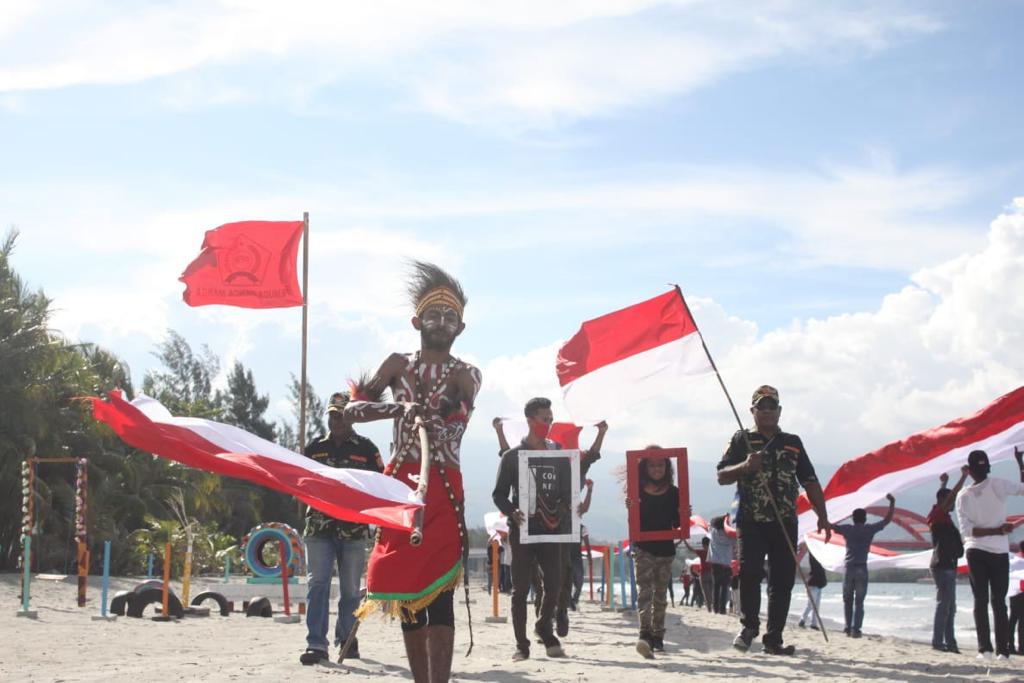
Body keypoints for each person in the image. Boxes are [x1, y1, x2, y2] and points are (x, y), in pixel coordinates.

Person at [344, 261, 482, 683]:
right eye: (434, 315)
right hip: (400, 484)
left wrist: (435, 417)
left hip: (442, 484)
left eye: (450, 317)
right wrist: (398, 408)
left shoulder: (465, 374)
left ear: (460, 328)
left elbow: (460, 413)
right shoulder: (396, 365)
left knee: (438, 591)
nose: (441, 323)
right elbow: (351, 412)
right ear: (416, 321)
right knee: (404, 584)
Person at [717, 385, 831, 656]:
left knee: (782, 581)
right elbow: (721, 475)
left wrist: (823, 517)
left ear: (779, 411)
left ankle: (774, 638)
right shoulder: (741, 439)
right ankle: (749, 627)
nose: (767, 412)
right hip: (751, 519)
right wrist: (745, 466)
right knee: (749, 572)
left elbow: (810, 481)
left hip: (785, 521)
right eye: (761, 407)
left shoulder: (792, 442)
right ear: (752, 411)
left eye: (772, 407)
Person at [492, 398, 599, 661]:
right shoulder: (512, 457)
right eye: (544, 419)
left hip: (553, 530)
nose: (548, 424)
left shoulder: (559, 453)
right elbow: (499, 494)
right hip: (522, 530)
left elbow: (568, 488)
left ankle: (543, 625)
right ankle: (522, 645)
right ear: (530, 421)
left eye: (551, 419)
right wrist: (512, 511)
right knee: (520, 589)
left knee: (554, 584)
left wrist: (564, 506)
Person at [299, 392, 384, 665]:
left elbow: (381, 484)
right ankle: (316, 644)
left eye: (342, 415)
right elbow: (301, 481)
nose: (336, 420)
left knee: (350, 590)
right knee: (318, 584)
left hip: (354, 531)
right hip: (319, 528)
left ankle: (347, 639)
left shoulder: (367, 450)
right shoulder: (314, 448)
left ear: (352, 418)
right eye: (332, 415)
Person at [955, 447, 1024, 661]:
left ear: (970, 470)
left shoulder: (963, 495)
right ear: (988, 468)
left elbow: (967, 531)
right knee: (998, 602)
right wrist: (1020, 464)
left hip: (976, 549)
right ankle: (1002, 651)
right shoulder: (999, 484)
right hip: (998, 551)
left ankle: (984, 649)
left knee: (981, 599)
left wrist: (997, 530)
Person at [626, 449, 681, 659]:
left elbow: (677, 524)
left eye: (661, 465)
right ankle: (645, 634)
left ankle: (658, 635)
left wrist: (685, 513)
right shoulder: (636, 492)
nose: (657, 469)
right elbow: (633, 523)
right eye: (652, 465)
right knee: (644, 592)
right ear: (644, 468)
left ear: (667, 468)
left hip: (666, 549)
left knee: (660, 595)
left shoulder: (674, 492)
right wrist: (630, 508)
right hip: (643, 548)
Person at [830, 495, 895, 638]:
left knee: (847, 599)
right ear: (865, 518)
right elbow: (887, 520)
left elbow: (831, 526)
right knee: (859, 601)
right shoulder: (869, 529)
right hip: (861, 567)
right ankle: (856, 629)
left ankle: (847, 628)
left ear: (853, 519)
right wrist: (892, 503)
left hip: (849, 567)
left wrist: (823, 511)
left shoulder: (847, 529)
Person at [926, 470, 968, 653]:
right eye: (950, 502)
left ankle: (950, 643)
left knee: (950, 606)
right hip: (943, 566)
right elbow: (949, 497)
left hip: (947, 565)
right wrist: (964, 476)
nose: (953, 504)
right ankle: (939, 642)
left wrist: (943, 483)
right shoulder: (938, 515)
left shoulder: (939, 515)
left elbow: (944, 497)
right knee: (945, 605)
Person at [707, 515, 737, 615]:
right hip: (726, 564)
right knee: (724, 587)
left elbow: (709, 526)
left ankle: (715, 609)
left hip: (715, 563)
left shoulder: (713, 532)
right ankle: (722, 609)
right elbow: (735, 541)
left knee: (716, 587)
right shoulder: (728, 535)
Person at [681, 536, 712, 613]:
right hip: (712, 574)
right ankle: (713, 605)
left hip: (704, 574)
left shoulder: (702, 552)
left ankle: (709, 608)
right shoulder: (713, 552)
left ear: (703, 544)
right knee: (711, 591)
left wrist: (684, 540)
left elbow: (690, 549)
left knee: (706, 591)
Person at [797, 552, 827, 630]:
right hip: (814, 584)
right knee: (811, 604)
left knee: (816, 606)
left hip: (818, 585)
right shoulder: (815, 556)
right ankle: (802, 620)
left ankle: (813, 623)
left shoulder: (819, 560)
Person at [1009, 543, 1024, 654]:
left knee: (1013, 618)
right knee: (1022, 621)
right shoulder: (1019, 561)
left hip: (1013, 592)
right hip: (1021, 592)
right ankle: (1022, 647)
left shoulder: (1014, 560)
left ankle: (1010, 645)